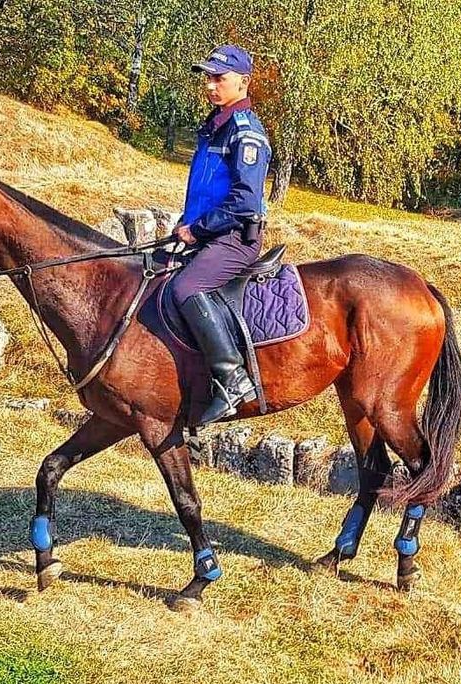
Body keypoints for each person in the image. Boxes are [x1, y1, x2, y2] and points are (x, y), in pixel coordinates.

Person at [172, 43, 272, 425]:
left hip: (233, 240)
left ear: (242, 82)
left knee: (186, 289)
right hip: (205, 233)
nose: (211, 85)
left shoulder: (246, 134)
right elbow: (205, 191)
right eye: (208, 78)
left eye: (220, 78)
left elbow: (246, 201)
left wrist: (197, 230)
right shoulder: (216, 127)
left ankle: (232, 379)